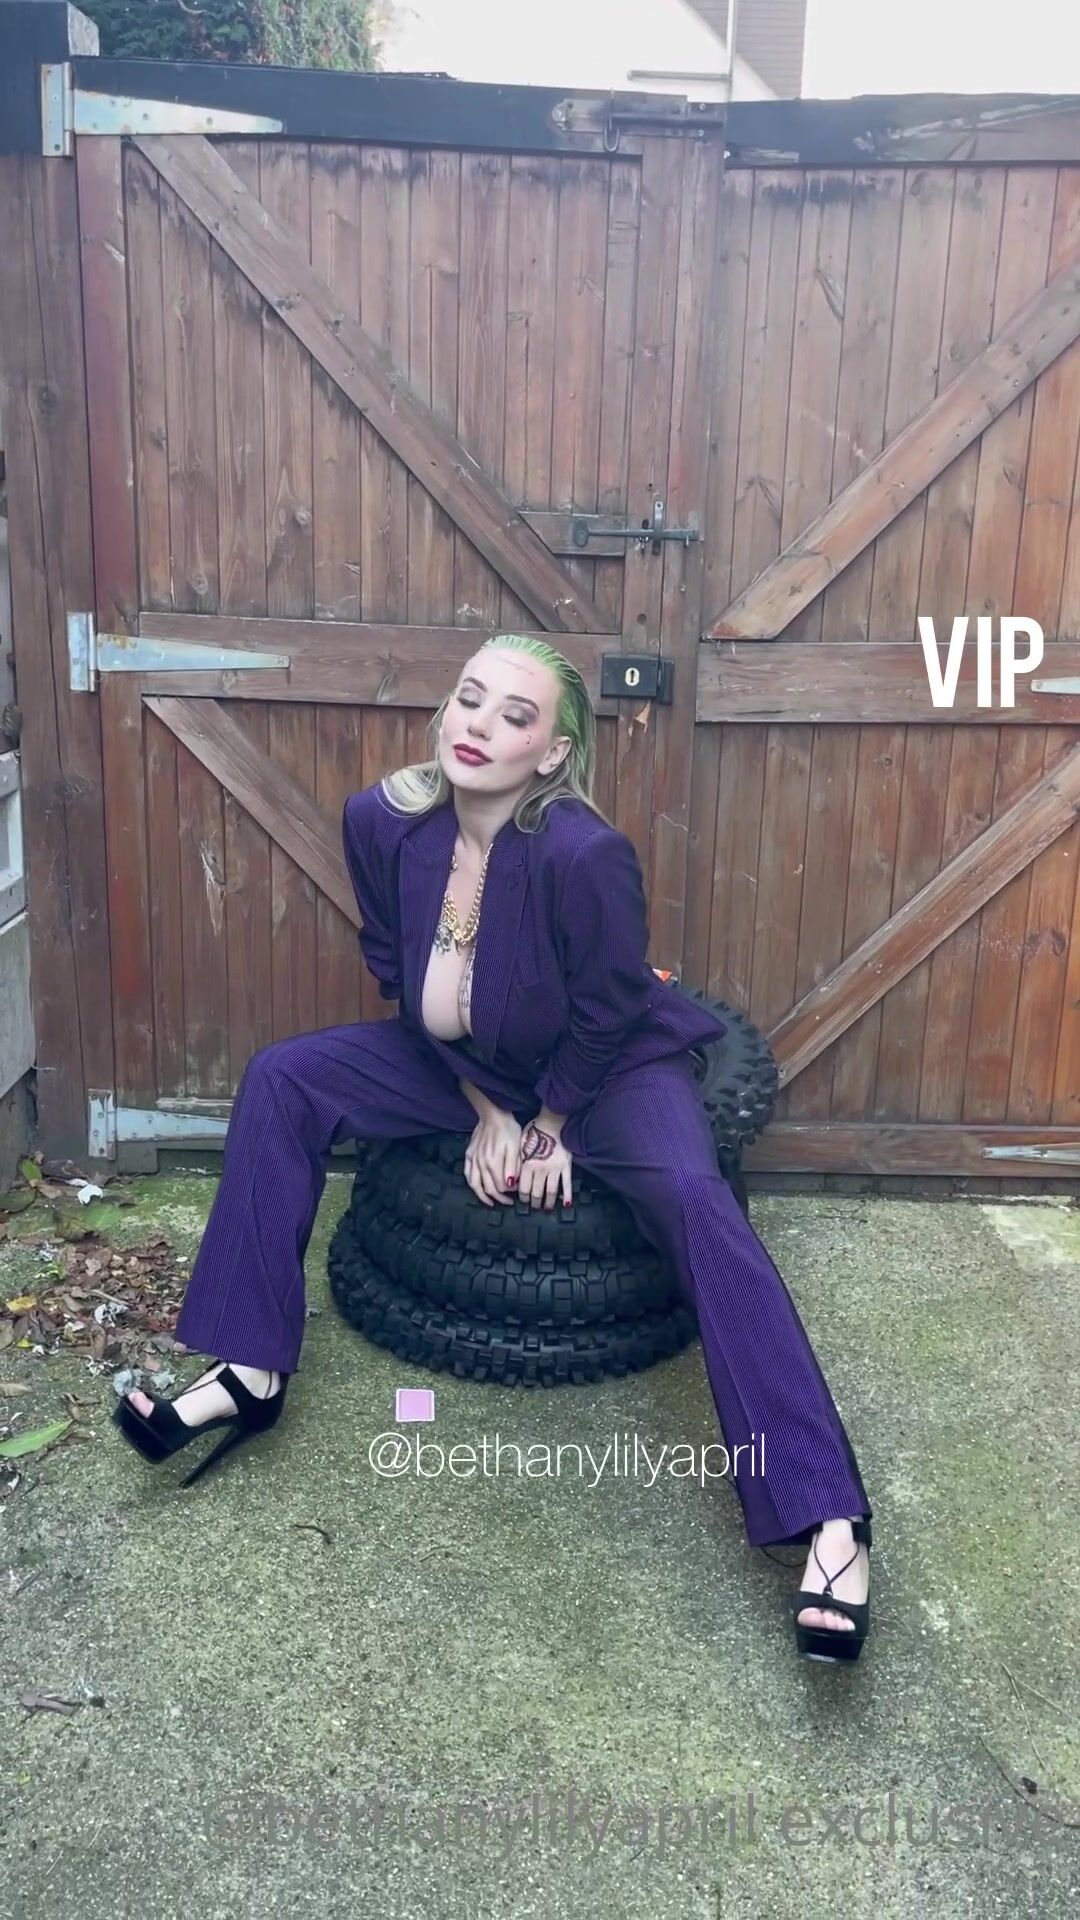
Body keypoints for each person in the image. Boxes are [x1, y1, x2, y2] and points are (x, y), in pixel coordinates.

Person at [112, 634, 873, 1663]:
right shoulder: (382, 822)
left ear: (551, 753)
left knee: (695, 1197)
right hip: (468, 1062)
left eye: (515, 715)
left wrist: (550, 1123)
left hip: (603, 1067)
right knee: (283, 1078)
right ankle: (249, 1369)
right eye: (469, 699)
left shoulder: (581, 855)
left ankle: (826, 1512)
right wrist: (482, 1106)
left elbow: (607, 1009)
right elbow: (398, 974)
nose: (478, 725)